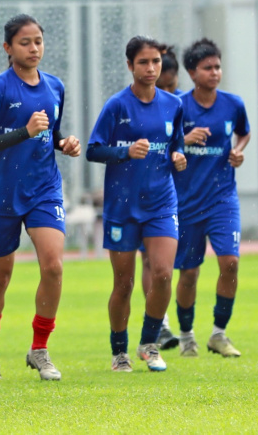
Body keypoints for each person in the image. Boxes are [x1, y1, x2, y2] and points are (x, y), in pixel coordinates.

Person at [0, 14, 81, 382]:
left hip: (44, 189)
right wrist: (23, 131)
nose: (34, 49)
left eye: (38, 41)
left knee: (53, 266)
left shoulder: (55, 87)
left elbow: (53, 132)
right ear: (7, 48)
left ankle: (40, 348)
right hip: (1, 194)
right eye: (25, 42)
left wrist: (64, 142)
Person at [87, 35, 187, 373]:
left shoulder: (173, 105)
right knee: (124, 283)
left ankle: (149, 344)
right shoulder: (116, 106)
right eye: (143, 62)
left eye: (156, 62)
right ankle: (119, 351)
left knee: (161, 274)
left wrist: (179, 155)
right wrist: (124, 152)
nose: (151, 68)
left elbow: (176, 144)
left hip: (161, 202)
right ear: (130, 65)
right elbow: (93, 150)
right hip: (122, 206)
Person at [173, 38, 250, 358]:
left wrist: (238, 151)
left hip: (223, 198)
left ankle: (219, 333)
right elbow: (163, 140)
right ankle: (187, 335)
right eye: (208, 68)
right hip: (187, 201)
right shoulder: (179, 106)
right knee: (189, 272)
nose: (215, 73)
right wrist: (183, 139)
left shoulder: (233, 104)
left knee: (230, 262)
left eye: (218, 67)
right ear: (192, 72)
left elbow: (244, 131)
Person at [138, 45, 184, 351]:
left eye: (170, 84)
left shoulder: (179, 104)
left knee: (173, 269)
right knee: (149, 263)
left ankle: (179, 328)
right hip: (144, 196)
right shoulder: (133, 104)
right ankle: (161, 325)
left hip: (184, 194)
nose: (166, 89)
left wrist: (182, 148)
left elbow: (177, 142)